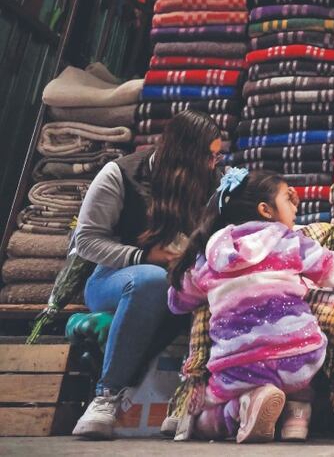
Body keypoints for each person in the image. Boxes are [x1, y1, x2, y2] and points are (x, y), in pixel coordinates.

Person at [168, 168, 334, 443]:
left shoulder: (213, 253)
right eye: (287, 199)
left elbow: (179, 301)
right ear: (266, 210)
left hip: (237, 365)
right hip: (300, 356)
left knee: (204, 420)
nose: (294, 205)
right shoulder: (290, 241)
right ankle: (297, 417)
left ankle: (239, 408)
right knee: (298, 357)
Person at [72, 110, 222, 439]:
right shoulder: (121, 174)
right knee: (151, 281)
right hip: (115, 279)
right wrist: (143, 256)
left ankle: (185, 400)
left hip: (174, 279)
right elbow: (85, 240)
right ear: (186, 154)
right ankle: (106, 396)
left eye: (216, 157)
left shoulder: (210, 183)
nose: (214, 164)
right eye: (209, 157)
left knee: (213, 291)